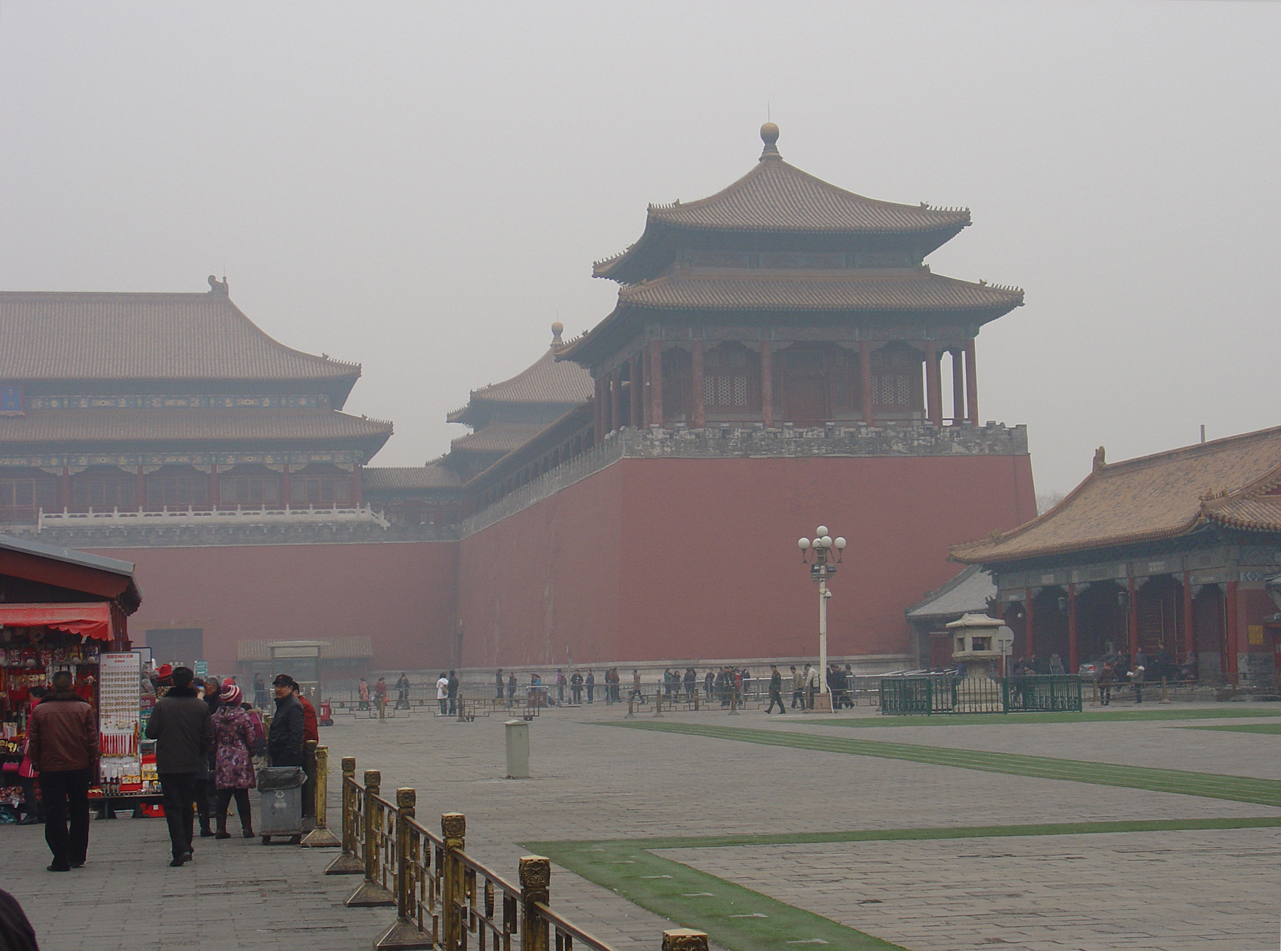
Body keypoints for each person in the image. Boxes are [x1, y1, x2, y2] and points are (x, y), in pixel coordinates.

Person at [27, 670, 98, 872]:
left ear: (52, 686)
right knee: (79, 811)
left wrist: (38, 764)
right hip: (79, 767)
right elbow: (92, 741)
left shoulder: (40, 711)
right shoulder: (84, 708)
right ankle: (77, 855)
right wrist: (91, 763)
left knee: (54, 813)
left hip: (50, 769)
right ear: (72, 685)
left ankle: (61, 857)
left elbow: (35, 742)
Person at [145, 666, 214, 867]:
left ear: (173, 682)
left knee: (173, 806)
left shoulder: (162, 706)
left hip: (168, 763)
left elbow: (150, 732)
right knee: (186, 805)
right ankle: (187, 845)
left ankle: (180, 848)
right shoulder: (201, 706)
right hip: (192, 763)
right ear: (191, 683)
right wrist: (197, 751)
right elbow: (209, 737)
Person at [211, 683, 256, 839]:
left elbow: (211, 739)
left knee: (223, 796)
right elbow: (251, 737)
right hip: (240, 757)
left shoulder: (216, 717)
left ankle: (220, 828)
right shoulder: (243, 716)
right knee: (242, 795)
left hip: (222, 756)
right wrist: (252, 750)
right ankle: (247, 828)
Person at [267, 674, 305, 767]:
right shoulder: (283, 704)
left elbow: (296, 733)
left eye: (282, 686)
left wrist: (285, 755)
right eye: (277, 686)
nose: (278, 690)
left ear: (290, 688)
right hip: (278, 755)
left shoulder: (293, 706)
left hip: (287, 759)